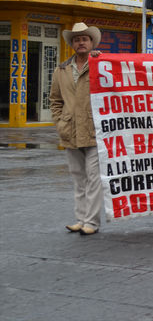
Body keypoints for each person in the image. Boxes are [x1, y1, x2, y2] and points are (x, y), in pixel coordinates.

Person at [50, 22, 104, 236]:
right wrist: (60, 122)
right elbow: (55, 100)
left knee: (93, 178)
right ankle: (80, 219)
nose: (81, 42)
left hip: (94, 130)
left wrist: (101, 60)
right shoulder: (61, 70)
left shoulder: (100, 64)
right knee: (78, 177)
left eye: (85, 39)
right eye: (77, 39)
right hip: (70, 131)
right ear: (72, 44)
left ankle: (91, 222)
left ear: (92, 43)